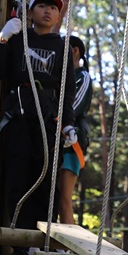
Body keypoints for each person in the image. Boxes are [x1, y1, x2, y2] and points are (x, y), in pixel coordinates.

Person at [0, 0, 79, 255]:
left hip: (48, 118)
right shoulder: (18, 40)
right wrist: (2, 39)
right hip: (19, 114)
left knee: (44, 182)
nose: (48, 11)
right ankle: (19, 249)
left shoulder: (62, 47)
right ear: (30, 13)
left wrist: (67, 124)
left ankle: (39, 247)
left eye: (53, 8)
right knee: (18, 179)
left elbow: (67, 88)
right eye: (41, 6)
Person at [57, 34, 92, 225]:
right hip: (54, 139)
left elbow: (73, 107)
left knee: (64, 197)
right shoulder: (60, 78)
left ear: (75, 51)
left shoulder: (82, 77)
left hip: (72, 142)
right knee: (51, 196)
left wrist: (55, 121)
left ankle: (65, 247)